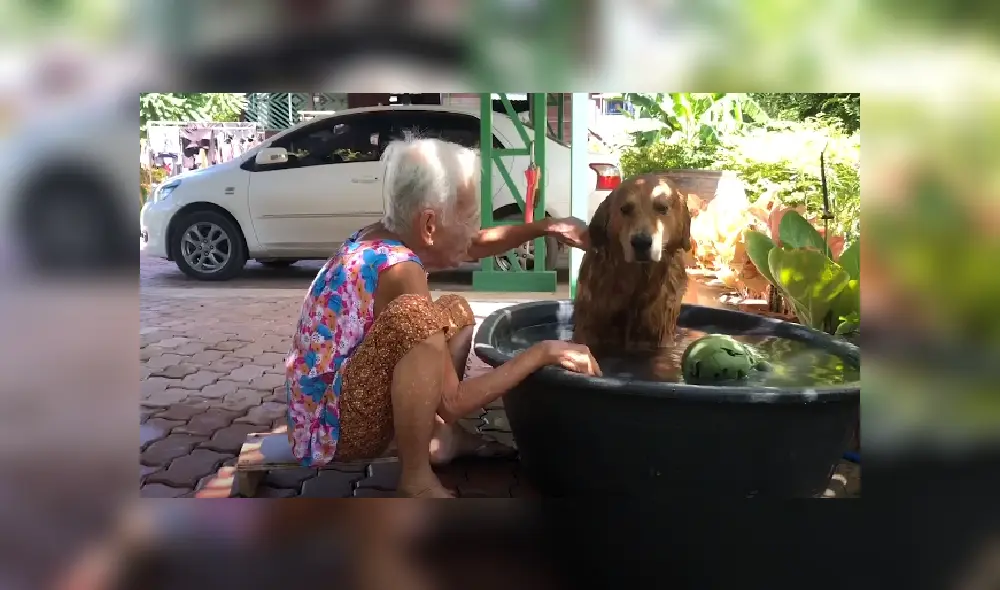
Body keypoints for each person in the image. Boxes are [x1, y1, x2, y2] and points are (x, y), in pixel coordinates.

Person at [285, 137, 601, 497]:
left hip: (321, 411)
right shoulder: (400, 270)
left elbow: (472, 244)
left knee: (454, 310)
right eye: (470, 218)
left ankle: (438, 435)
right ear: (429, 225)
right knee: (418, 319)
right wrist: (543, 352)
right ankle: (416, 479)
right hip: (330, 433)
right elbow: (454, 401)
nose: (474, 230)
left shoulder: (381, 236)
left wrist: (547, 227)